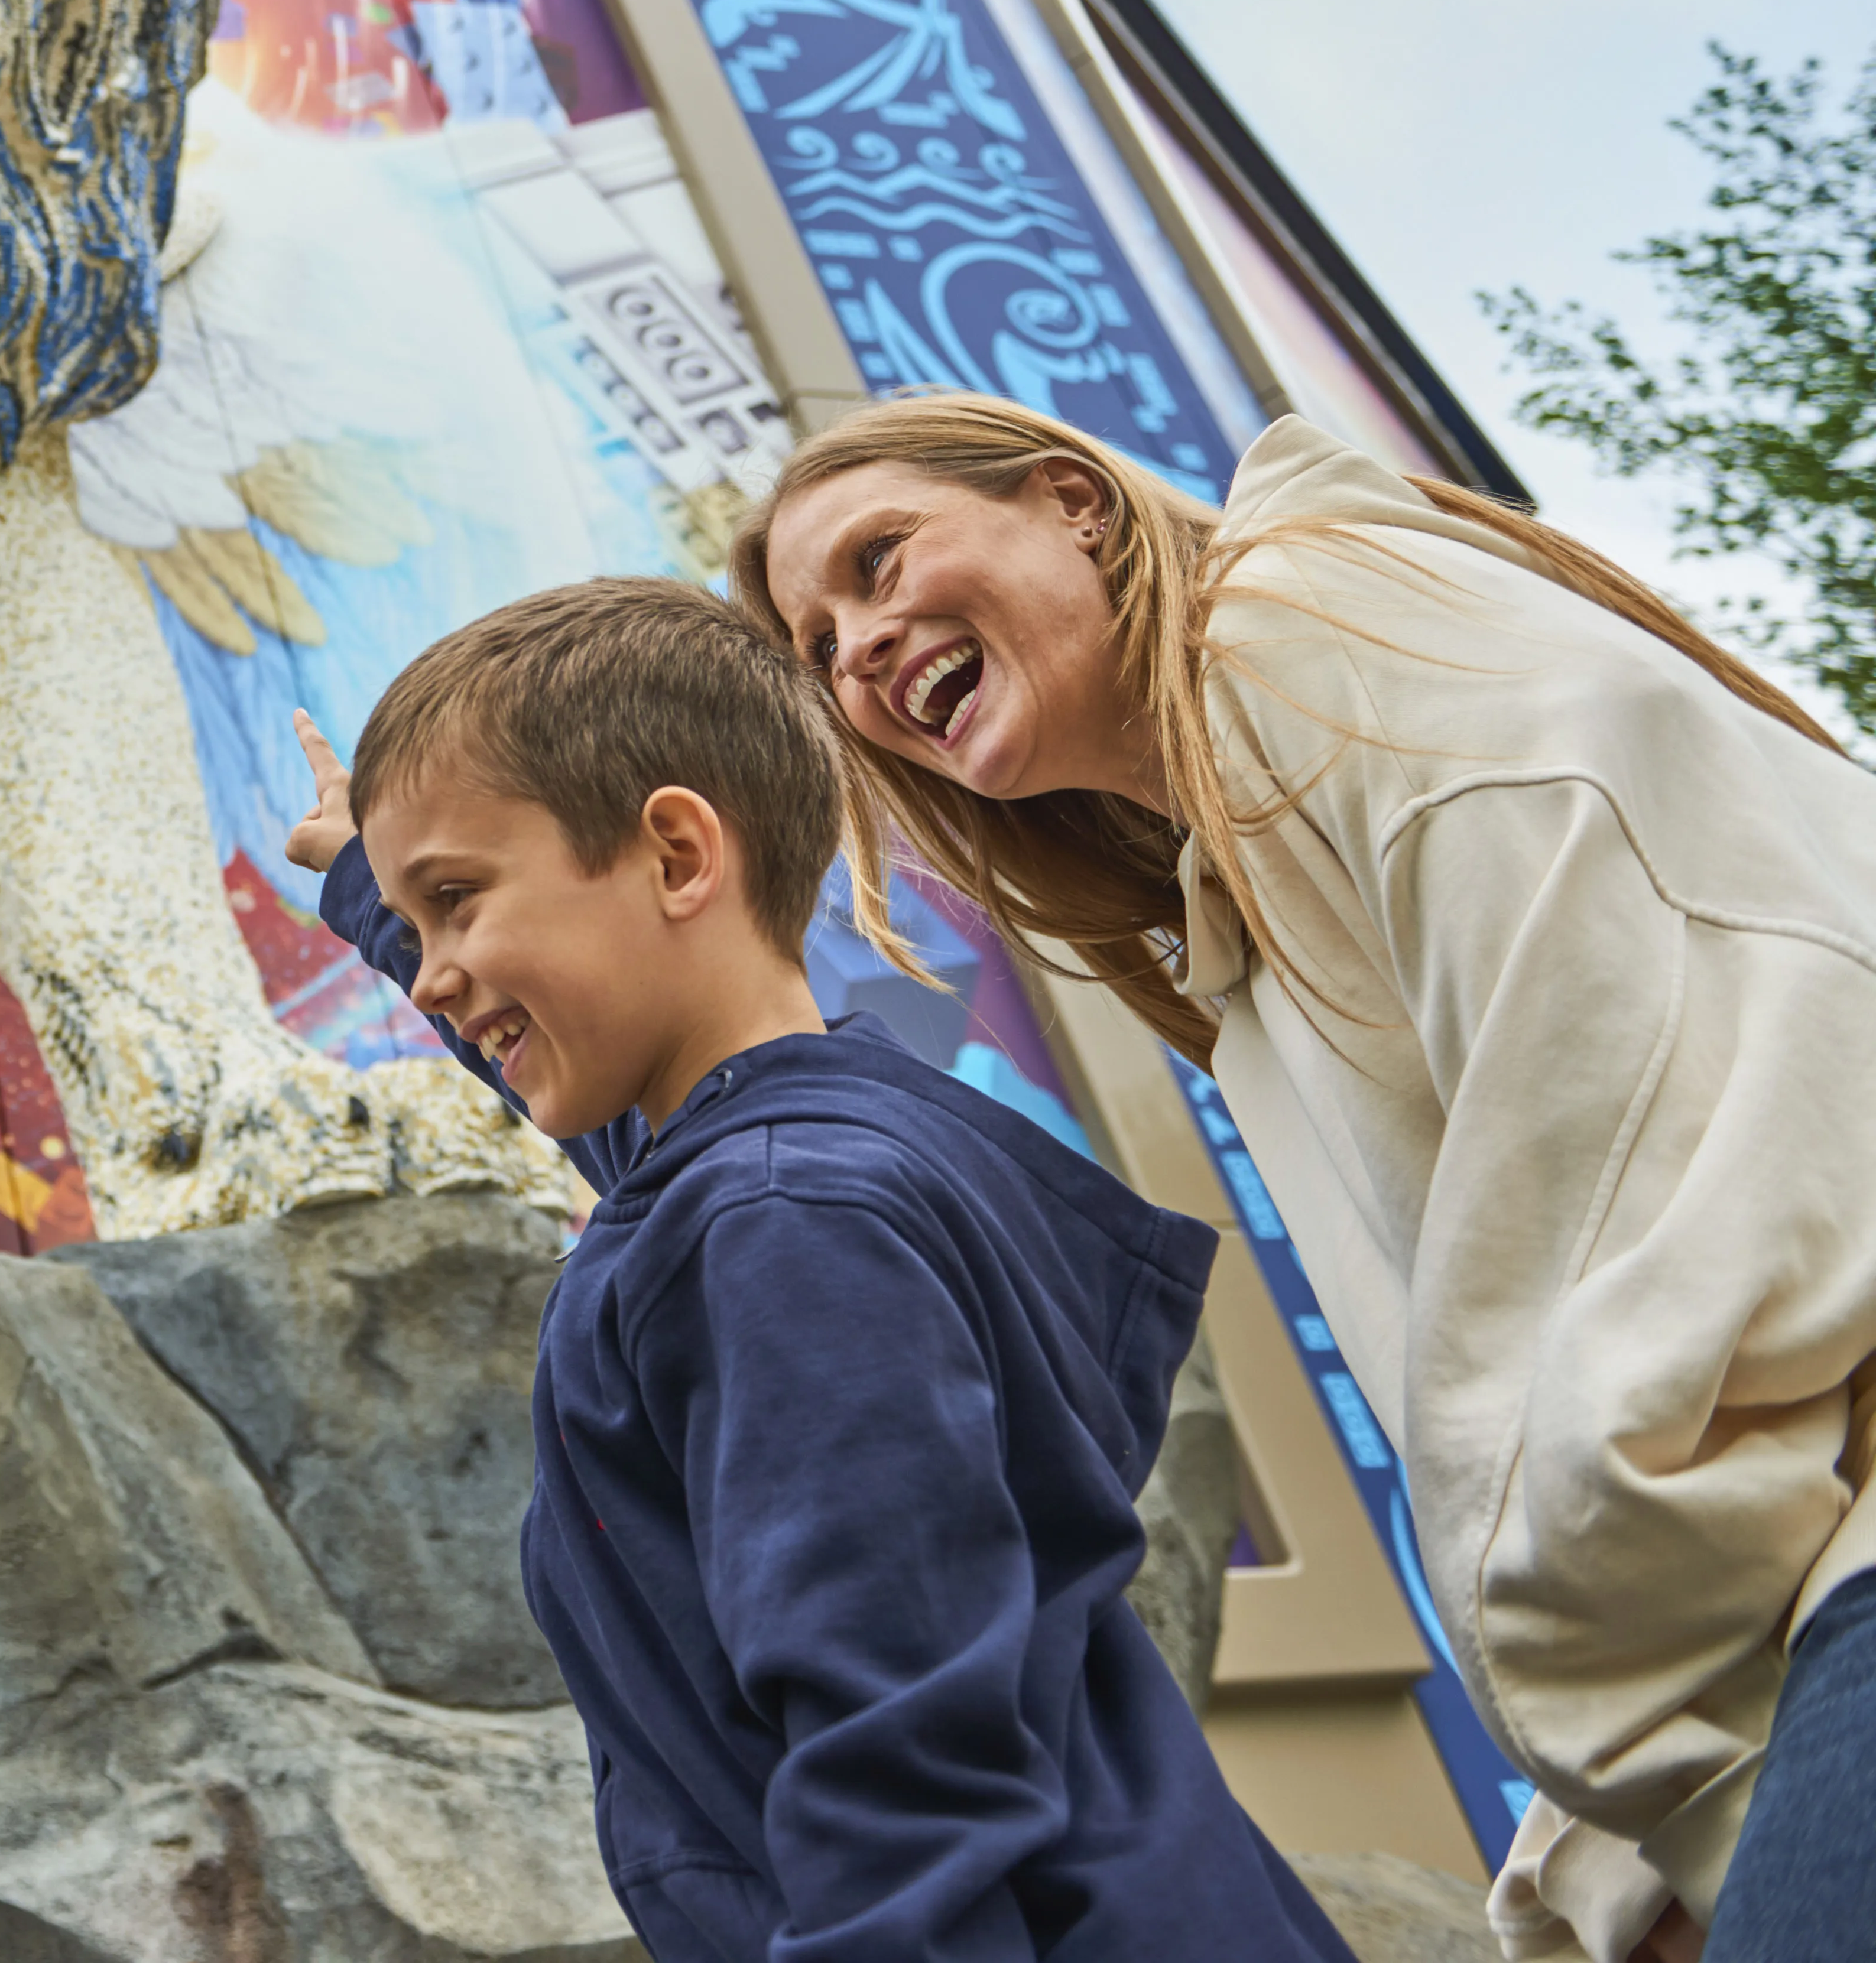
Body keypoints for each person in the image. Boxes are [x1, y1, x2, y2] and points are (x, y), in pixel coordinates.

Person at [739, 397, 1876, 1963]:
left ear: (1076, 503)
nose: (857, 646)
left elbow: (1668, 1194)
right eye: (818, 644)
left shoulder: (1313, 634)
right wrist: (1614, 1854)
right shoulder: (1250, 943)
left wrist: (1639, 1783)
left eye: (878, 561)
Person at [285, 575, 1349, 1961]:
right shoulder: (794, 1164)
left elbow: (897, 1751)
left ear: (676, 855)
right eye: (417, 930)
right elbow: (635, 1128)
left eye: (457, 900)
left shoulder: (783, 1224)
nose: (428, 976)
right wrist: (375, 891)